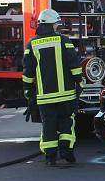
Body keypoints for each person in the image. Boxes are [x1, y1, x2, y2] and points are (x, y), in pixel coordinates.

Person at [22, 9, 83, 166]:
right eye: (56, 24)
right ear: (51, 24)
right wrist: (79, 82)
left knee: (48, 125)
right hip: (66, 95)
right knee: (67, 123)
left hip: (44, 97)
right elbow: (74, 64)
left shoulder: (32, 44)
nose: (58, 26)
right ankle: (66, 151)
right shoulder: (64, 41)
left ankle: (50, 157)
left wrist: (28, 91)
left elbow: (28, 71)